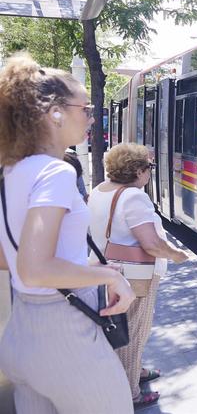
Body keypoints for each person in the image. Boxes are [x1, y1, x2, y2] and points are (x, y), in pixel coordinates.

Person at [0, 53, 135, 414]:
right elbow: (35, 267)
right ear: (55, 112)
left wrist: (84, 267)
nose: (92, 117)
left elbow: (10, 258)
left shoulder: (12, 172)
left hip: (22, 331)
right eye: (86, 108)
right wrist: (107, 275)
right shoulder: (55, 173)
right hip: (65, 336)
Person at [88, 143, 189, 409]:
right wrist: (176, 254)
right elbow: (152, 244)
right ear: (136, 170)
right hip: (133, 276)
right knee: (134, 332)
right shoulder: (133, 197)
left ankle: (136, 371)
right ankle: (131, 393)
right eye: (149, 167)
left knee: (121, 328)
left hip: (105, 269)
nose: (150, 172)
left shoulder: (100, 190)